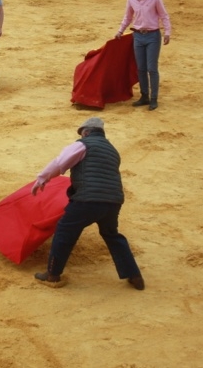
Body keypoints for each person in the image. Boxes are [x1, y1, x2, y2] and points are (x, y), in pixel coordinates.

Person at [31, 117, 145, 291]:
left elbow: (60, 162)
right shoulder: (113, 151)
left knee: (64, 231)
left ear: (86, 132)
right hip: (113, 201)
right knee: (112, 235)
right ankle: (134, 275)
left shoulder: (83, 145)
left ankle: (53, 274)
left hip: (87, 200)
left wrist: (42, 178)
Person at [114, 0, 172, 111]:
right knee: (141, 68)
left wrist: (167, 32)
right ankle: (144, 96)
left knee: (152, 68)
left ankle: (154, 98)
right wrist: (120, 31)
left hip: (153, 36)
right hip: (138, 36)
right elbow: (128, 17)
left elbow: (164, 16)